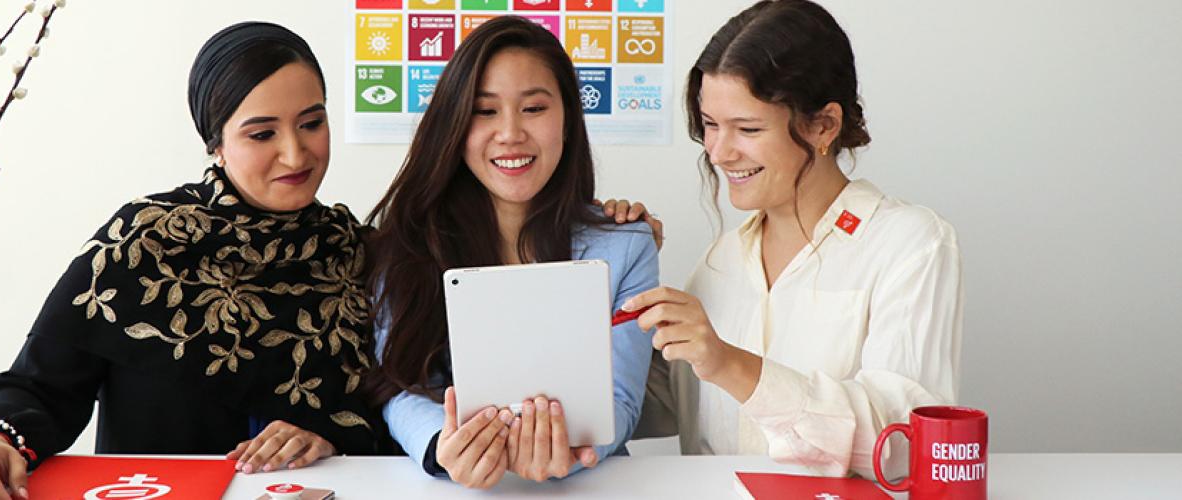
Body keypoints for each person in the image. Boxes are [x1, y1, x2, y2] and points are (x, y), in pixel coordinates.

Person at [0, 22, 388, 500]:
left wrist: (334, 433)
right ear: (216, 142)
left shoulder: (365, 256)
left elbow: (405, 410)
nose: (295, 153)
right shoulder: (145, 243)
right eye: (261, 134)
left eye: (312, 124)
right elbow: (40, 386)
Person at [629, 0, 964, 480]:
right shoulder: (718, 263)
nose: (720, 153)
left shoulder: (911, 244)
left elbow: (903, 445)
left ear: (824, 125)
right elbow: (669, 406)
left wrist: (731, 364)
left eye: (747, 128)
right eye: (709, 125)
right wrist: (614, 276)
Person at [363, 16, 659, 489]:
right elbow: (395, 386)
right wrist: (444, 446)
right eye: (485, 111)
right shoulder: (407, 241)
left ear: (567, 118)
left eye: (534, 108)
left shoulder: (627, 245)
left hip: (589, 485)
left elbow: (620, 401)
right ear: (455, 125)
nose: (510, 133)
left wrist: (579, 446)